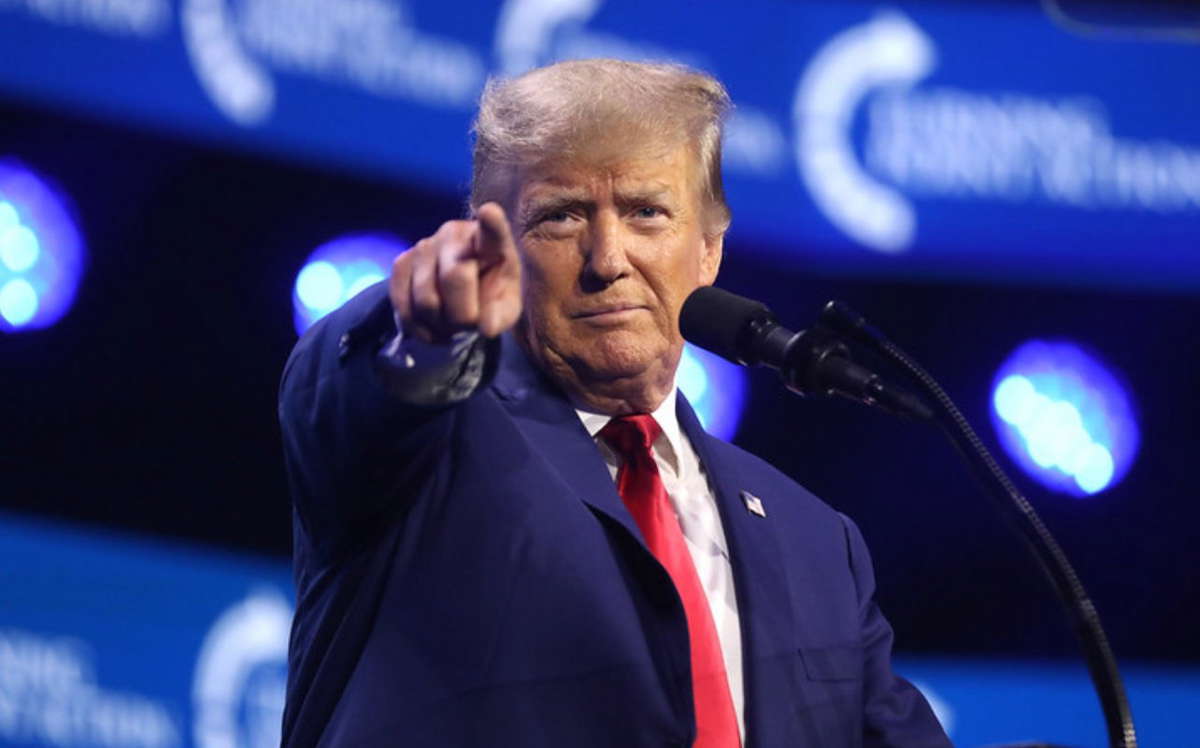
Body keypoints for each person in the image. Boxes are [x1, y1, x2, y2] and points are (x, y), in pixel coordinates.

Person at [278, 59, 951, 747]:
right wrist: (425, 333)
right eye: (561, 216)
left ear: (709, 250)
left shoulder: (818, 544)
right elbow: (360, 396)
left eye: (646, 213)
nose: (607, 259)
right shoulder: (431, 448)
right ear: (495, 248)